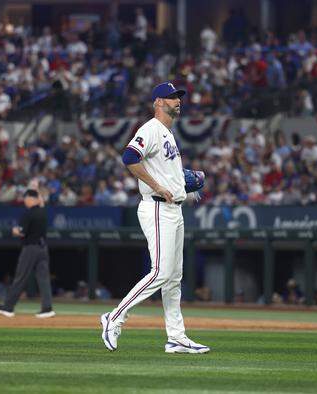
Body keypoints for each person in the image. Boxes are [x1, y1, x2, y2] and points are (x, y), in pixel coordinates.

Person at [101, 82, 209, 354]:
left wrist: (184, 181)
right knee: (160, 272)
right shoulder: (149, 129)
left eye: (179, 97)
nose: (178, 101)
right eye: (172, 98)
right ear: (158, 102)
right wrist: (157, 185)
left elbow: (165, 170)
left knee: (174, 277)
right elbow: (129, 157)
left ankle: (177, 337)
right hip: (157, 207)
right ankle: (114, 317)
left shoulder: (167, 133)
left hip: (174, 209)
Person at [0, 188, 55, 318]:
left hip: (30, 248)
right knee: (43, 279)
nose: (24, 201)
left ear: (30, 199)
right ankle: (47, 308)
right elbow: (42, 202)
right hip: (43, 249)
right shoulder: (43, 212)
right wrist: (36, 189)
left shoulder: (29, 214)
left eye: (26, 198)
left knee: (20, 277)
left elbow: (21, 232)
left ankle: (8, 307)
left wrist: (14, 230)